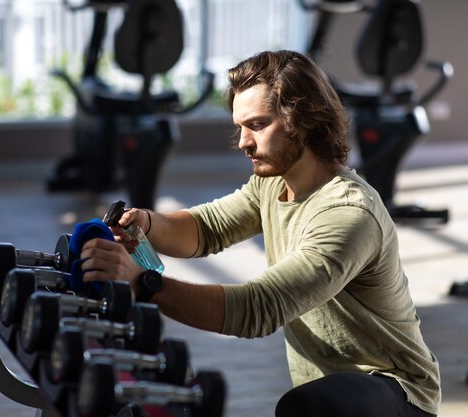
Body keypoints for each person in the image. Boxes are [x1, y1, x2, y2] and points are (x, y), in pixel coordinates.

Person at [79, 49, 441, 417]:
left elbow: (258, 309)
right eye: (240, 127)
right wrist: (146, 224)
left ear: (302, 119)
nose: (242, 142)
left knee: (309, 407)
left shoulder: (349, 214)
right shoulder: (273, 184)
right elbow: (206, 228)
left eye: (257, 125)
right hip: (337, 391)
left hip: (398, 392)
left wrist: (144, 285)